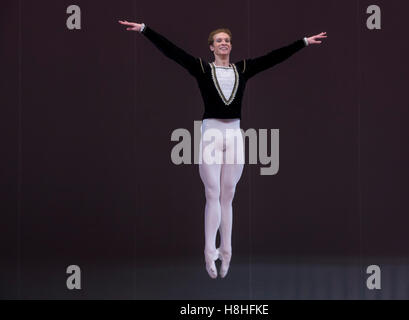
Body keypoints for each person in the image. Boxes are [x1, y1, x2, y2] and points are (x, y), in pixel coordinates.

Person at [119, 19, 327, 279]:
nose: (224, 43)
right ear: (211, 47)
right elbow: (173, 52)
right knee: (212, 192)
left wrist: (304, 42)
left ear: (230, 46)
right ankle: (209, 251)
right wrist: (145, 30)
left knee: (228, 195)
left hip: (234, 134)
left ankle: (226, 250)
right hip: (211, 133)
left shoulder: (242, 69)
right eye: (219, 40)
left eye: (227, 40)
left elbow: (273, 58)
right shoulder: (202, 69)